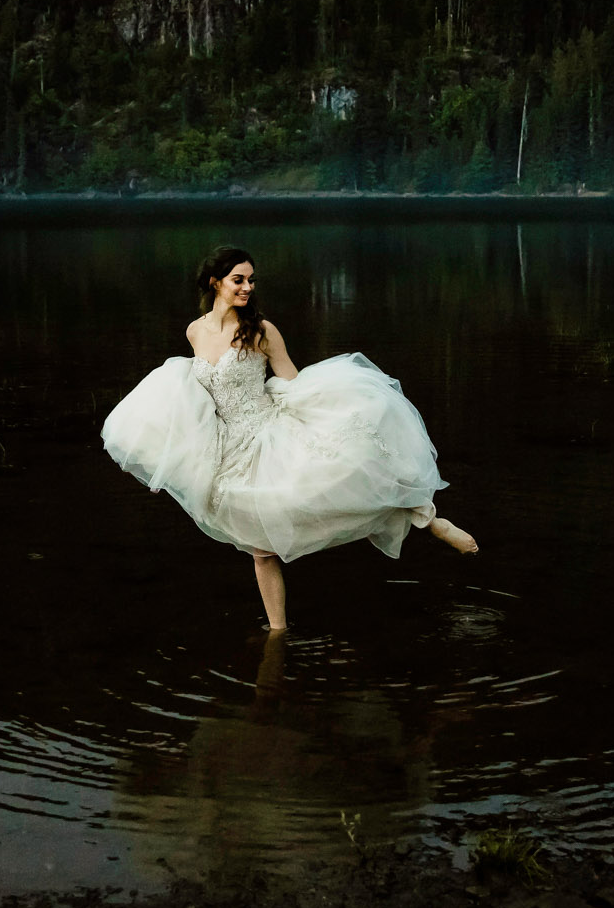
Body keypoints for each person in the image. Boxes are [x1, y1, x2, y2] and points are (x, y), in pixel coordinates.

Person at [102, 244, 477, 630]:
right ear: (215, 283)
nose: (247, 287)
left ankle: (428, 519)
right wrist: (170, 462)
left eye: (251, 280)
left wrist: (326, 410)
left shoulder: (261, 331)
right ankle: (278, 631)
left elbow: (292, 381)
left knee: (339, 486)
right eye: (238, 280)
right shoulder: (194, 332)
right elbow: (195, 402)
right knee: (260, 550)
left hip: (267, 434)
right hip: (226, 448)